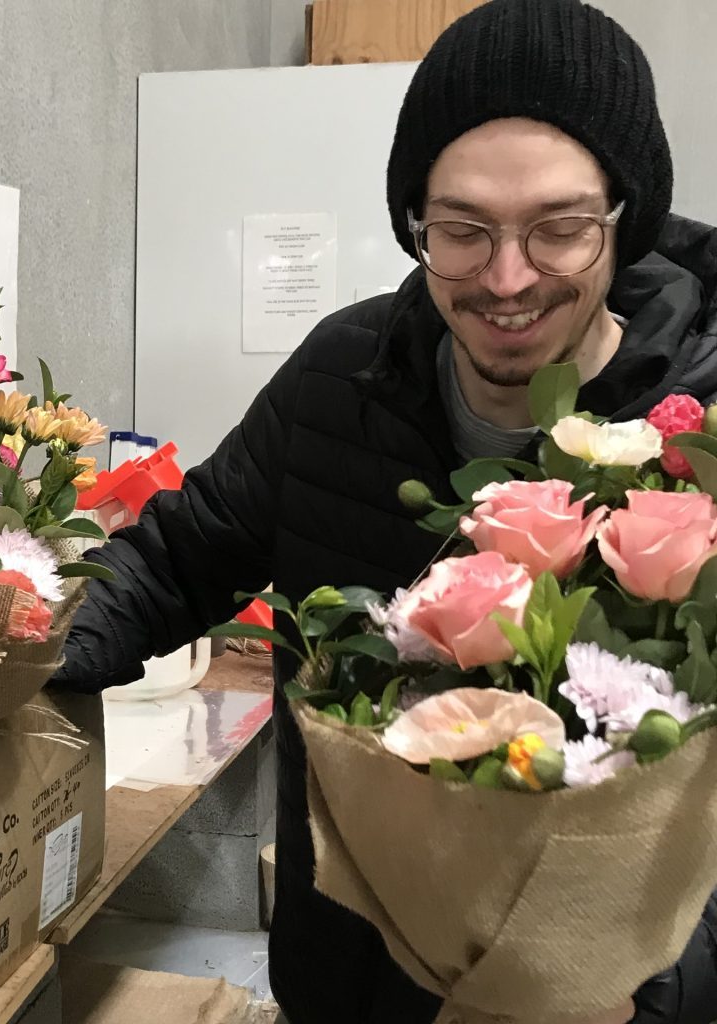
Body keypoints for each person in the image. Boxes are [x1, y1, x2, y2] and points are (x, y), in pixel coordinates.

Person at [52, 0, 717, 1020]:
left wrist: (667, 972)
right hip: (350, 982)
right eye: (460, 230)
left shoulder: (699, 432)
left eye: (559, 230)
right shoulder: (339, 376)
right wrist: (24, 644)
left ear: (624, 218)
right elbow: (181, 555)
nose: (506, 279)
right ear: (413, 219)